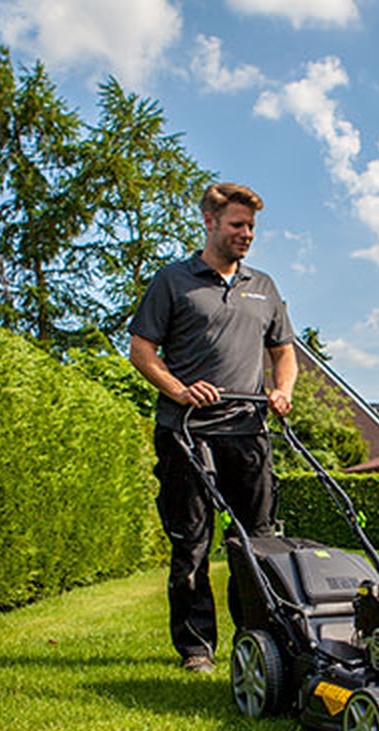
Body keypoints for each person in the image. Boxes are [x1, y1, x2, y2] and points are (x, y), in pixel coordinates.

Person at [128, 182, 297, 673]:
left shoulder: (264, 286)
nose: (247, 234)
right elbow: (142, 351)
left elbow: (283, 352)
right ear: (209, 222)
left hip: (248, 430)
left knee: (256, 542)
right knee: (192, 542)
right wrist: (179, 389)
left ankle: (257, 639)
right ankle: (196, 648)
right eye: (237, 225)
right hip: (186, 430)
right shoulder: (173, 281)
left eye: (251, 227)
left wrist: (282, 390)